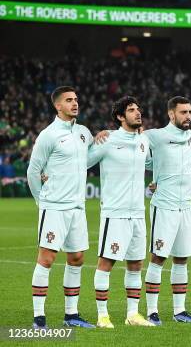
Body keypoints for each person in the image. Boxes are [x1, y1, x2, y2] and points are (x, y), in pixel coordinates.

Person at [27, 86, 95, 328]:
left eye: (76, 99)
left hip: (77, 207)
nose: (75, 103)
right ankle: (38, 317)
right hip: (54, 207)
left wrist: (104, 139)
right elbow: (33, 171)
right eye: (69, 100)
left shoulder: (84, 133)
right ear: (57, 106)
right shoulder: (48, 135)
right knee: (46, 259)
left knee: (77, 258)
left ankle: (71, 315)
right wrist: (41, 200)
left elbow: (90, 158)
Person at [87, 96, 154, 327]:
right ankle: (102, 316)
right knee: (106, 263)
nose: (138, 113)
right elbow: (81, 162)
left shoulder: (144, 140)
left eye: (138, 109)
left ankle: (132, 315)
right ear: (119, 116)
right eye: (131, 110)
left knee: (136, 264)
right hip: (114, 213)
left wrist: (155, 182)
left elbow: (150, 164)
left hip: (138, 212)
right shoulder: (107, 140)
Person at [144, 96, 191, 325]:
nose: (188, 116)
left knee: (182, 259)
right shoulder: (154, 136)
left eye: (189, 112)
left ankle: (180, 311)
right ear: (171, 114)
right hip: (164, 207)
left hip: (185, 207)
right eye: (183, 112)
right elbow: (138, 157)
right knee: (158, 258)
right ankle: (151, 311)